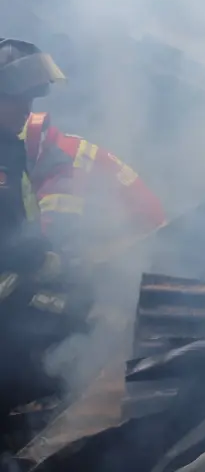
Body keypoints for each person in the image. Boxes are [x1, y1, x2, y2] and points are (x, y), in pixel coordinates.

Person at [0, 39, 91, 434]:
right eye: (17, 99)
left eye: (31, 99)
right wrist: (37, 260)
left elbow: (19, 221)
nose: (27, 110)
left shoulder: (10, 151)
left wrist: (48, 257)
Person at [21, 110, 167, 260]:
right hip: (136, 227)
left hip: (143, 235)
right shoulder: (62, 146)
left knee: (78, 268)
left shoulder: (61, 162)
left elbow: (59, 230)